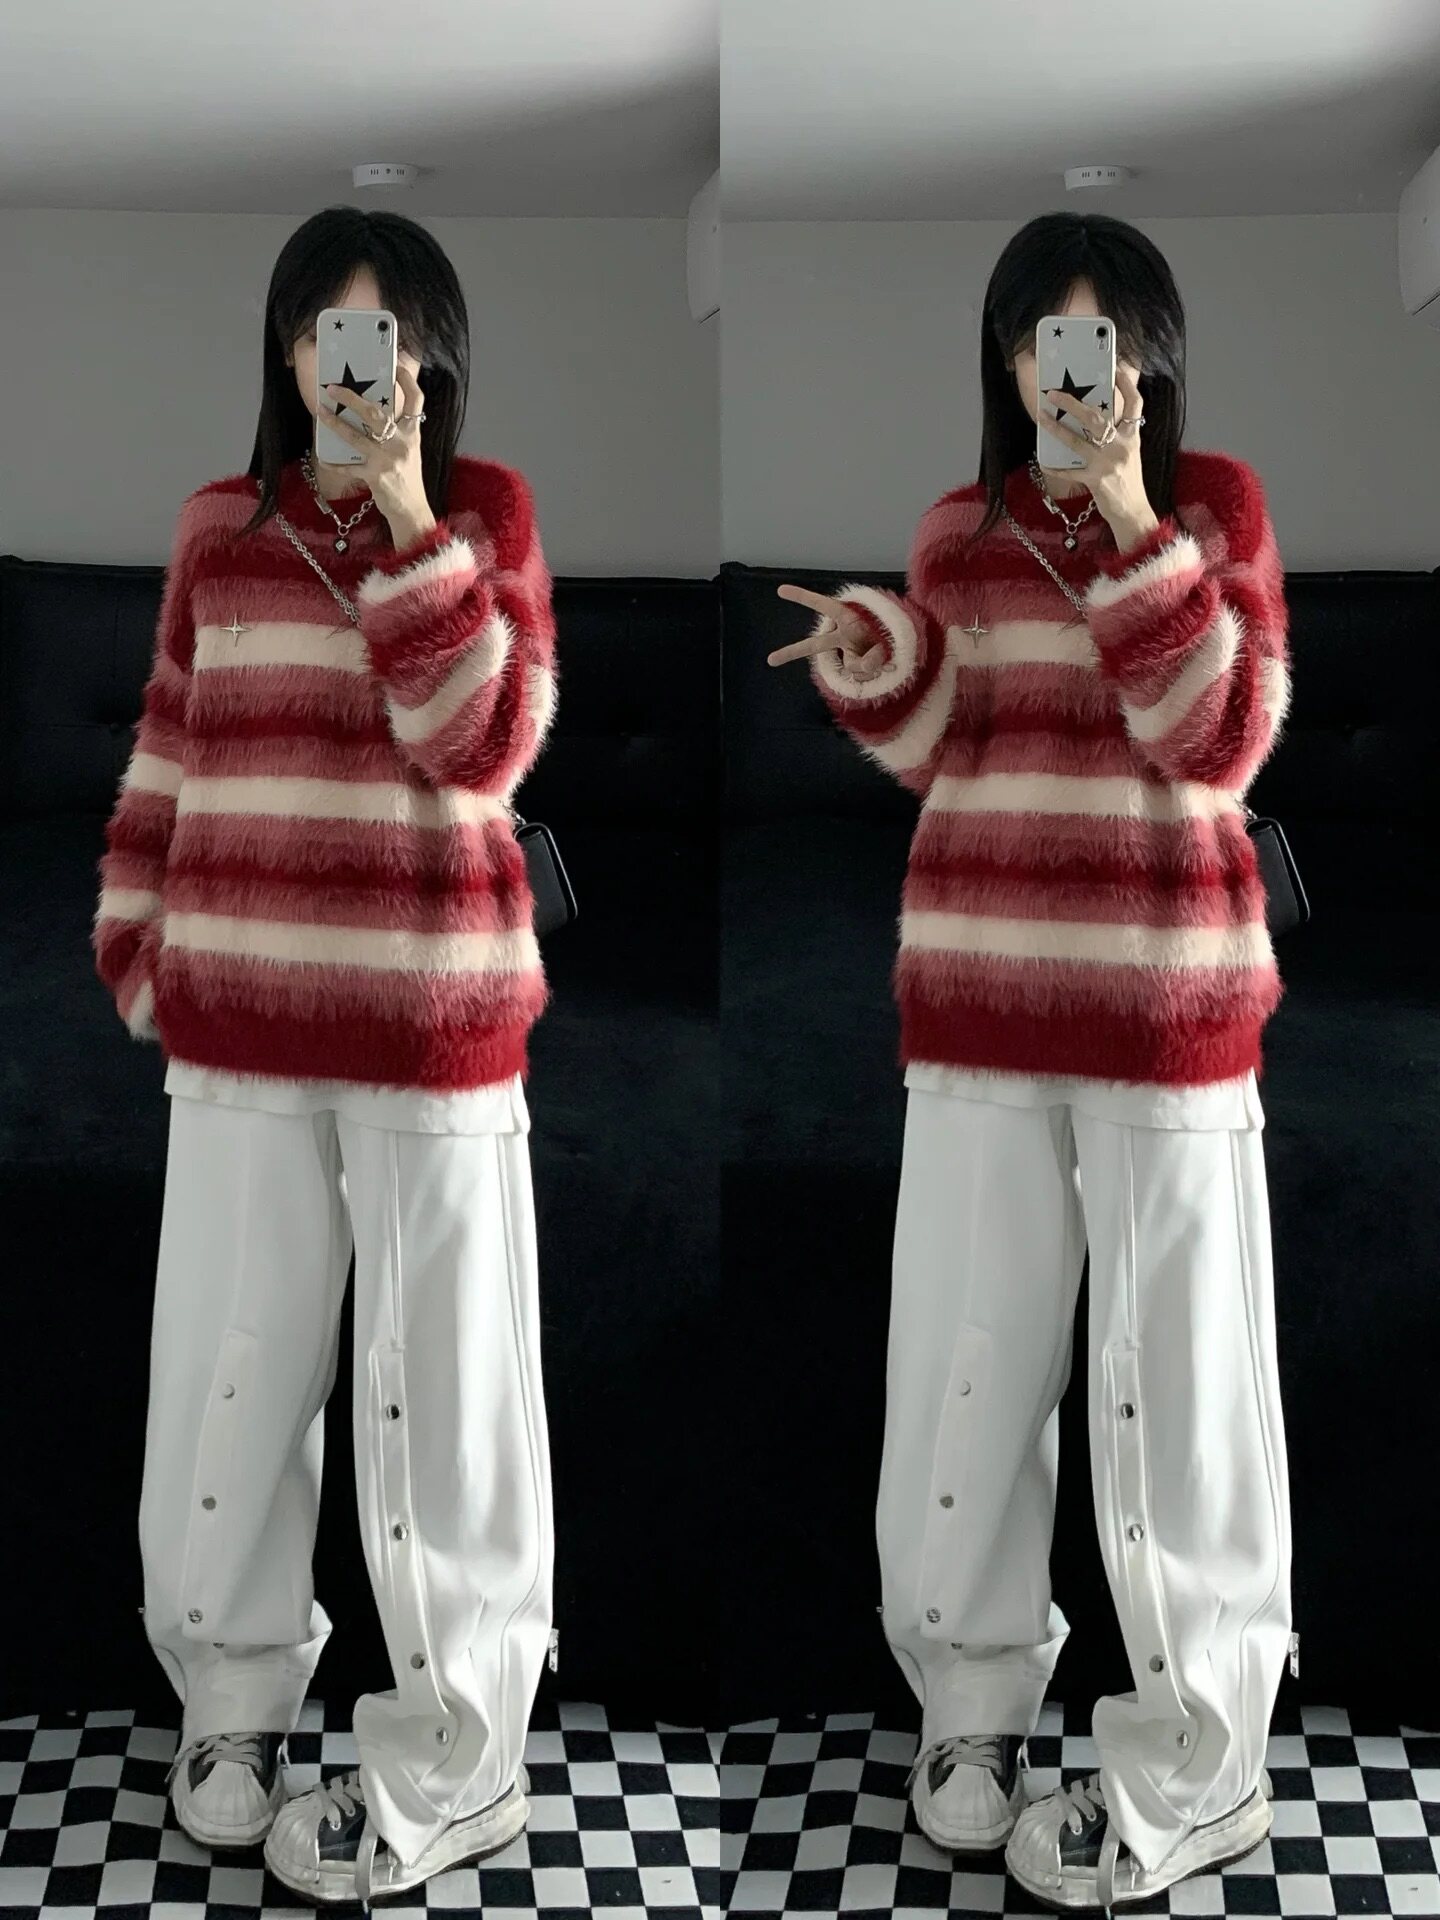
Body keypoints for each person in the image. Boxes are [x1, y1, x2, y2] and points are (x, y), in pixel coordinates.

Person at [768, 211, 1293, 1914]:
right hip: (980, 1002)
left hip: (1167, 1011)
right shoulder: (957, 531)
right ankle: (970, 1710)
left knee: (1182, 1393)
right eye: (1044, 343)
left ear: (1151, 359)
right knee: (968, 1373)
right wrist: (879, 670)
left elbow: (1222, 742)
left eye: (1103, 341)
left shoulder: (1217, 512)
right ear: (1006, 364)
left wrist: (1135, 520)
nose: (1073, 374)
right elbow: (947, 751)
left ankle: (1202, 1758)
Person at [92, 204, 558, 1905]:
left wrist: (413, 521)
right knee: (227, 1379)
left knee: (448, 1398)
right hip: (238, 1013)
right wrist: (139, 944)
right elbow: (169, 741)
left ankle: (462, 1753)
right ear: (287, 355)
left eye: (385, 336)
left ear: (430, 362)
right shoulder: (218, 530)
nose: (352, 365)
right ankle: (228, 1710)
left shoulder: (487, 518)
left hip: (434, 1020)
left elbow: (485, 745)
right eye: (325, 334)